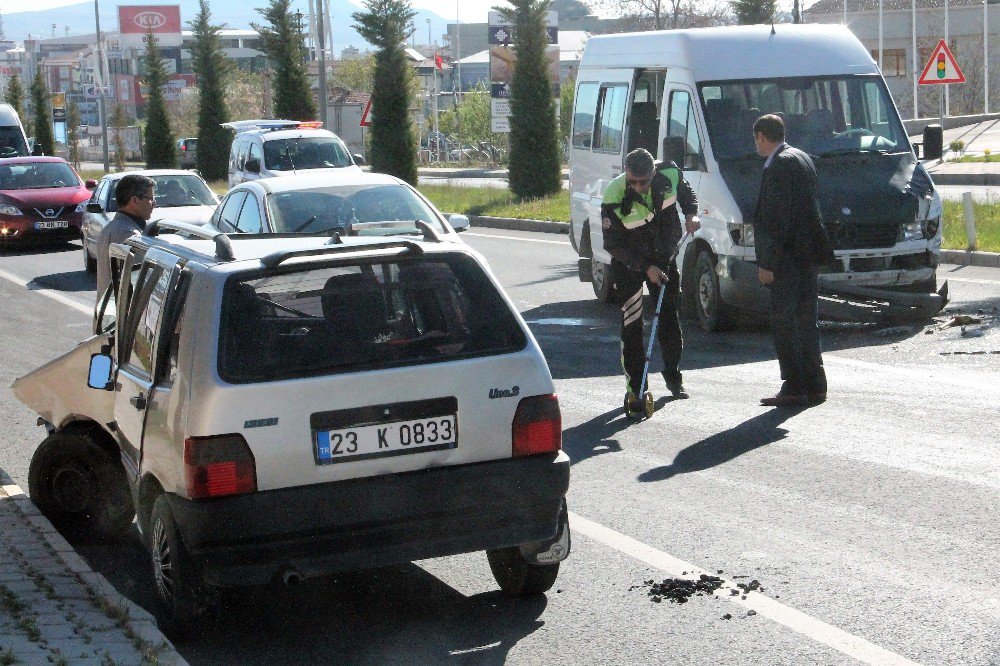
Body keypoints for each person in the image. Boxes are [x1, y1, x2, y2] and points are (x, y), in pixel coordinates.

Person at [601, 147, 700, 404]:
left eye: (642, 182)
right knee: (632, 323)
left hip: (662, 258)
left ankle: (673, 377)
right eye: (631, 180)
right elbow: (612, 244)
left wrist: (691, 214)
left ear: (653, 173)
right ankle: (636, 386)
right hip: (629, 264)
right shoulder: (614, 193)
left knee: (668, 318)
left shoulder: (669, 173)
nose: (637, 187)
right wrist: (646, 268)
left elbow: (687, 194)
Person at [752, 114, 834, 407]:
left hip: (786, 259)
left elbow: (777, 219)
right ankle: (815, 383)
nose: (756, 145)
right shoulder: (801, 157)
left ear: (762, 136)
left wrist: (767, 263)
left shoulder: (779, 165)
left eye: (756, 139)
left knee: (785, 321)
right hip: (807, 255)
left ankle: (795, 385)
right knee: (806, 321)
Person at [96, 174, 156, 300]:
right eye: (150, 198)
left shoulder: (109, 228)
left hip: (110, 312)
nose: (153, 203)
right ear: (135, 200)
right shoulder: (129, 235)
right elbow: (138, 283)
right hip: (122, 314)